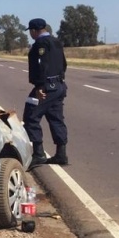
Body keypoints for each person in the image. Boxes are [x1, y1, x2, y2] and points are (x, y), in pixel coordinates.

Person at [24, 18, 68, 166]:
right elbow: (63, 63)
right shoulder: (56, 41)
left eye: (30, 31)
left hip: (46, 87)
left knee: (31, 116)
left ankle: (39, 153)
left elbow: (43, 65)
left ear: (34, 31)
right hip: (59, 86)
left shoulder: (41, 44)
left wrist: (40, 86)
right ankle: (61, 154)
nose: (30, 34)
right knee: (56, 118)